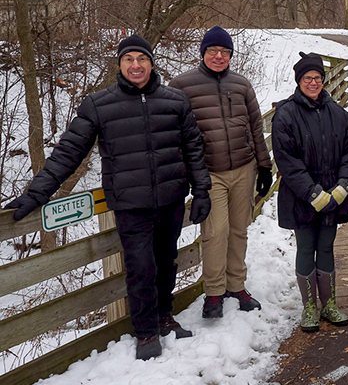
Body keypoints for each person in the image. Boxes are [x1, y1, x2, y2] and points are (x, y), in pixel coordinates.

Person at [4, 34, 212, 360]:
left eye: (141, 59)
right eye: (128, 59)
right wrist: (37, 191)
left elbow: (193, 149)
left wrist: (201, 191)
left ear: (151, 63)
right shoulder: (99, 105)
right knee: (141, 267)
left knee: (167, 262)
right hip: (131, 205)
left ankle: (163, 316)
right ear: (119, 65)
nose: (135, 65)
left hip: (171, 198)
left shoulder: (175, 101)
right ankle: (145, 333)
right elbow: (68, 152)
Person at [171, 26, 271, 319]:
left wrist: (264, 165)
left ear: (230, 55)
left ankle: (236, 285)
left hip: (243, 167)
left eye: (224, 52)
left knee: (240, 229)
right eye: (213, 51)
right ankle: (214, 292)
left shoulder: (241, 84)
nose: (218, 56)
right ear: (202, 52)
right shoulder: (182, 85)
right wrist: (188, 173)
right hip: (209, 173)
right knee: (215, 232)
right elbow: (176, 134)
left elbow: (255, 127)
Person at [272, 53, 348, 333]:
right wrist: (311, 193)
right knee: (306, 247)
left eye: (317, 78)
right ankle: (309, 306)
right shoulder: (286, 114)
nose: (313, 83)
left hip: (333, 194)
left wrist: (344, 185)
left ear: (324, 81)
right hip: (302, 197)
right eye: (307, 78)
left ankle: (329, 304)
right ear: (299, 81)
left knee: (327, 247)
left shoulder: (338, 114)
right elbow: (286, 159)